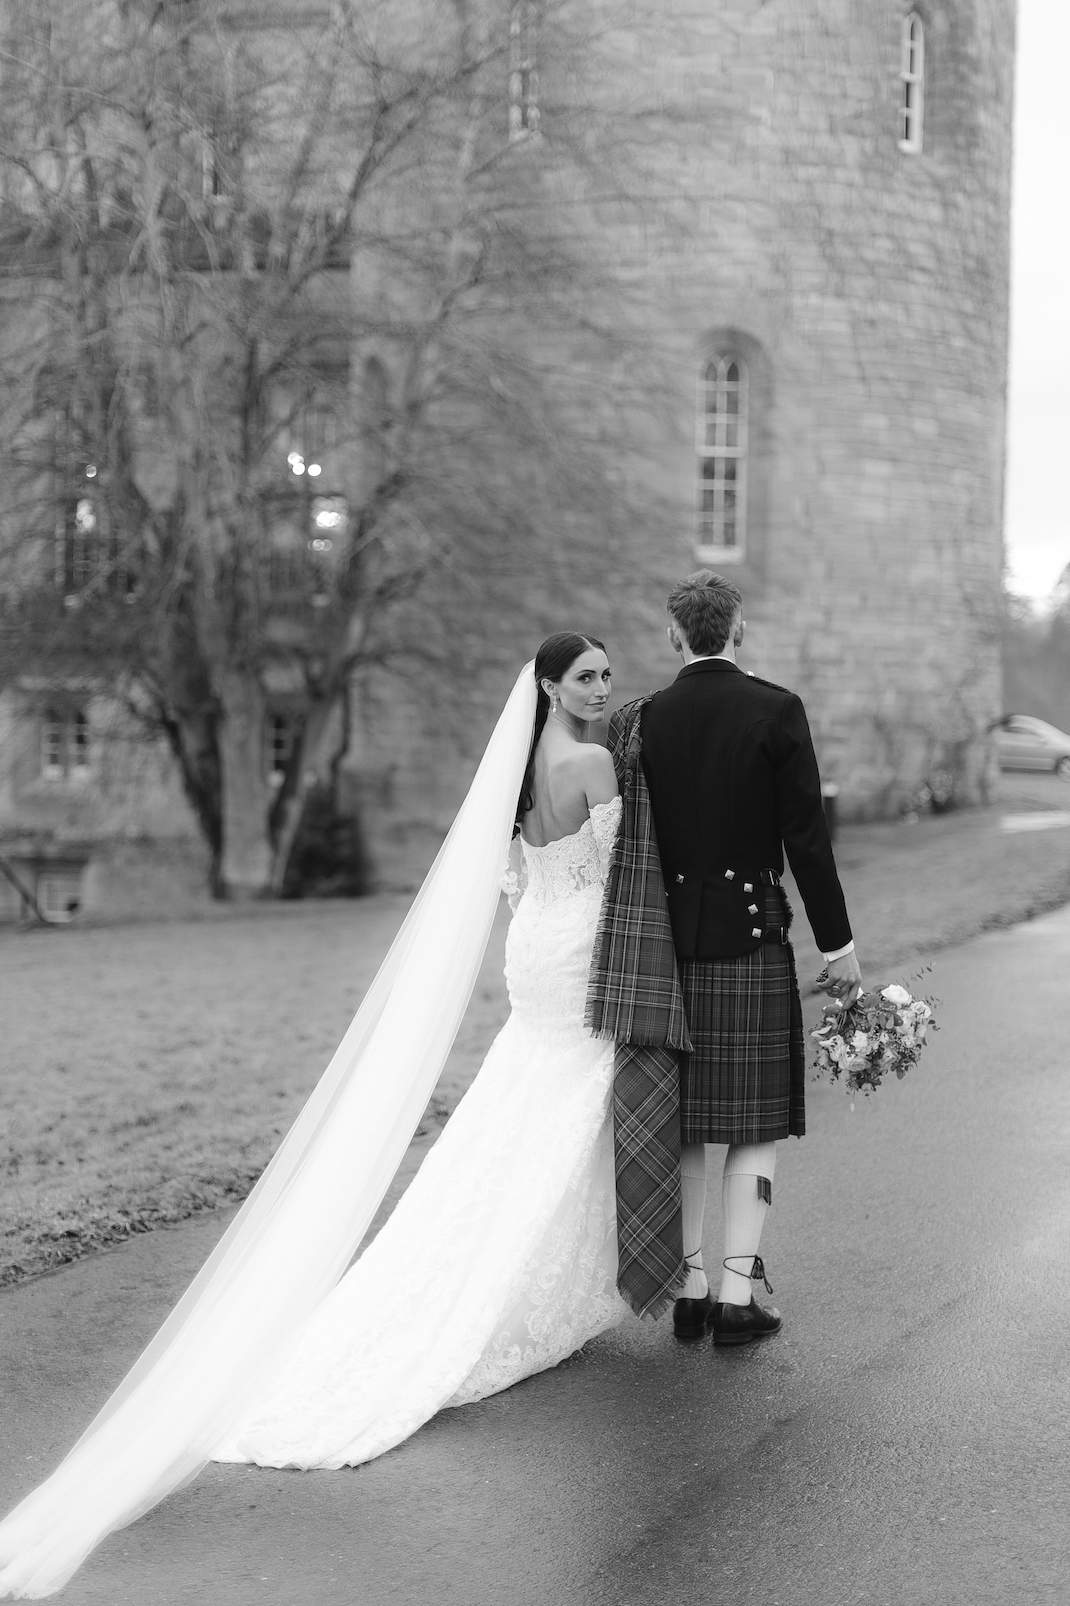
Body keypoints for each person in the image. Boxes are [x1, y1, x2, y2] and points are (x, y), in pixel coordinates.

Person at [0, 634, 627, 1598]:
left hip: (538, 942)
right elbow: (627, 871)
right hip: (579, 949)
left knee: (521, 1106)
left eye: (605, 674)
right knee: (567, 1107)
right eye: (585, 675)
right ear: (549, 685)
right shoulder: (590, 761)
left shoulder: (518, 770)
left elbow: (509, 876)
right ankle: (526, 1283)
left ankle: (514, 1267)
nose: (602, 686)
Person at [594, 570, 861, 1348]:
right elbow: (807, 840)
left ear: (674, 636)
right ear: (737, 630)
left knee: (679, 1120)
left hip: (662, 946)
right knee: (751, 1123)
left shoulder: (639, 720)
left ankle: (690, 1288)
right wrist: (838, 946)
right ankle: (740, 1296)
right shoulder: (777, 710)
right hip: (750, 941)